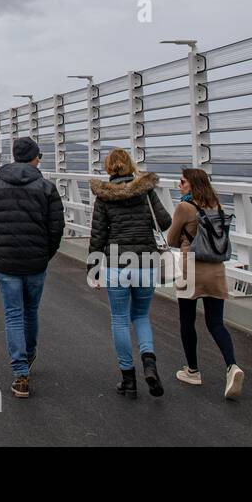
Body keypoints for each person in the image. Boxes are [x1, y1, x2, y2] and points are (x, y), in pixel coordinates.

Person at [0, 136, 65, 399]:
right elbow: (56, 228)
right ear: (34, 157)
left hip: (6, 262)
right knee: (30, 311)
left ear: (15, 156)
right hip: (36, 260)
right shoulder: (47, 188)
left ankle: (20, 373)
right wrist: (45, 254)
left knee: (13, 314)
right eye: (39, 155)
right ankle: (29, 353)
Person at [87, 148, 172, 399]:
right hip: (146, 262)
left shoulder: (104, 197)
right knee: (142, 316)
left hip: (117, 265)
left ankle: (128, 380)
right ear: (130, 165)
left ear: (108, 168)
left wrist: (93, 270)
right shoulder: (146, 191)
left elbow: (98, 235)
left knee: (119, 320)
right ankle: (149, 364)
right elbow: (165, 222)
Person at [168, 168, 244, 399]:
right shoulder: (217, 208)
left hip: (191, 269)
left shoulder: (184, 207)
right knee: (215, 323)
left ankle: (192, 371)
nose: (179, 185)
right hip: (216, 271)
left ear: (191, 185)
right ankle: (232, 366)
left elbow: (171, 239)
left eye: (182, 182)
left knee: (187, 321)